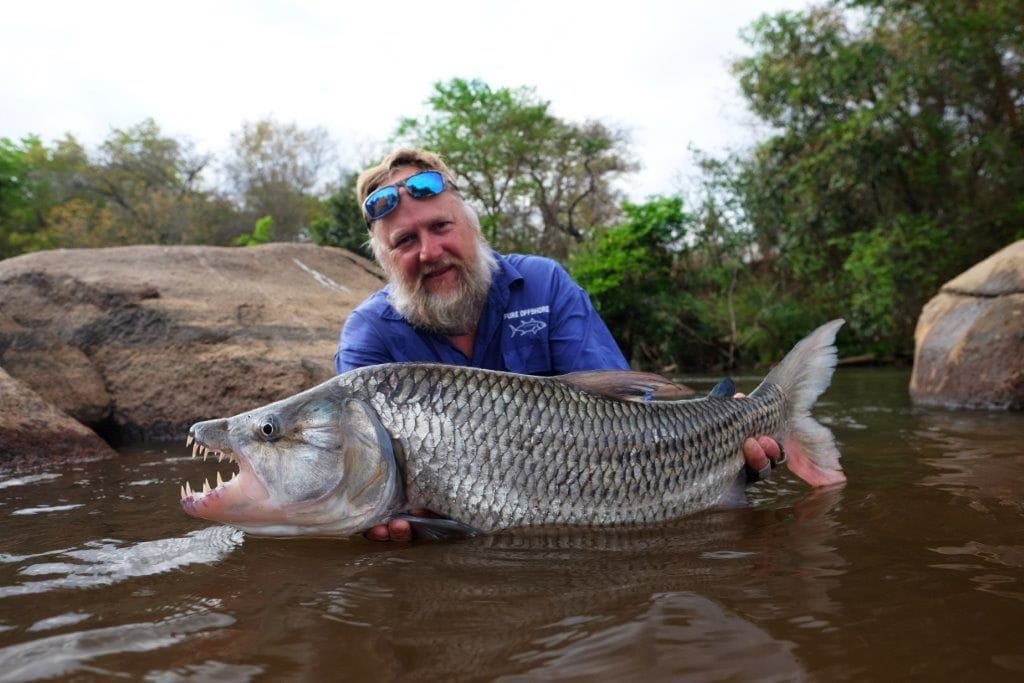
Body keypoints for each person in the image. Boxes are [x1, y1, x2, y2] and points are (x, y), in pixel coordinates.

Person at [336, 148, 783, 541]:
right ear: (385, 260)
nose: (430, 251)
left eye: (440, 226)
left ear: (472, 228)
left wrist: (723, 437)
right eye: (405, 241)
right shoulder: (368, 335)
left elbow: (630, 423)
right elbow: (360, 473)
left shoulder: (544, 283)